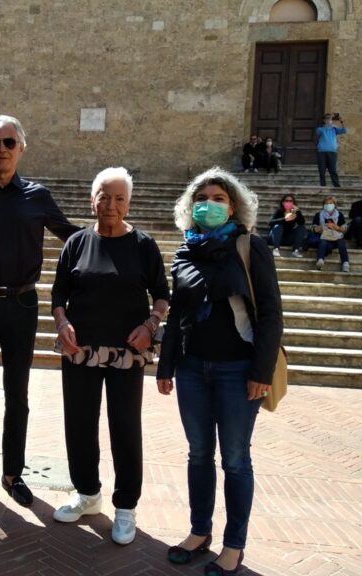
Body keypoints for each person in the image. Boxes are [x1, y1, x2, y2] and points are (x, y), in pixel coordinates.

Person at [156, 167, 283, 575]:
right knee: (197, 455)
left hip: (238, 370)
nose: (209, 204)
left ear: (233, 207)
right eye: (203, 198)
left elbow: (271, 313)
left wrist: (261, 371)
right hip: (193, 368)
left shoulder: (250, 247)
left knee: (234, 459)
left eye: (219, 198)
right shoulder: (184, 252)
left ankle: (234, 545)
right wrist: (167, 364)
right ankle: (199, 531)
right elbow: (177, 314)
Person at [0, 114, 79, 508]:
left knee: (17, 393)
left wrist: (113, 240)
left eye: (9, 142)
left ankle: (13, 473)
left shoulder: (37, 196)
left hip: (22, 304)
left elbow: (70, 236)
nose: (2, 149)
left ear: (21, 147)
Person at [50, 167, 170, 545]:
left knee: (124, 427)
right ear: (93, 200)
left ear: (128, 203)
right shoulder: (78, 243)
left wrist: (150, 326)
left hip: (127, 353)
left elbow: (163, 296)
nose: (111, 204)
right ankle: (87, 494)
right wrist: (62, 322)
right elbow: (58, 294)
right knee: (80, 422)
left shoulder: (143, 245)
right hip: (80, 350)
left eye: (119, 198)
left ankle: (125, 506)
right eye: (104, 195)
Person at [311, 195, 350, 272]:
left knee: (341, 242)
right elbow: (313, 229)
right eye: (326, 203)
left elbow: (344, 229)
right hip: (324, 237)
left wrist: (336, 227)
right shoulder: (318, 215)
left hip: (336, 238)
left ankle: (345, 263)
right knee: (322, 241)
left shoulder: (339, 215)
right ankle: (320, 260)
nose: (329, 205)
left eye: (331, 203)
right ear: (323, 205)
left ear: (335, 205)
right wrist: (323, 227)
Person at [267, 193, 306, 257]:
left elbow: (301, 223)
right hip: (276, 238)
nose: (288, 202)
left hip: (288, 239)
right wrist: (284, 219)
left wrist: (298, 212)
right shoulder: (279, 212)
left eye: (291, 201)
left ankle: (295, 251)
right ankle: (276, 249)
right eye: (286, 201)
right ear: (283, 203)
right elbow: (270, 223)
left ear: (293, 203)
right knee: (278, 226)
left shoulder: (295, 213)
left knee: (301, 228)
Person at [316, 113, 347, 187]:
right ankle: (323, 185)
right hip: (322, 152)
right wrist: (329, 125)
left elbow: (344, 130)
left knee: (333, 170)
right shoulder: (320, 129)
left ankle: (336, 184)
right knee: (322, 170)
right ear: (324, 120)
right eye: (327, 118)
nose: (329, 120)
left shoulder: (334, 129)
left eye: (330, 118)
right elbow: (319, 133)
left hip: (332, 152)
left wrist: (341, 122)